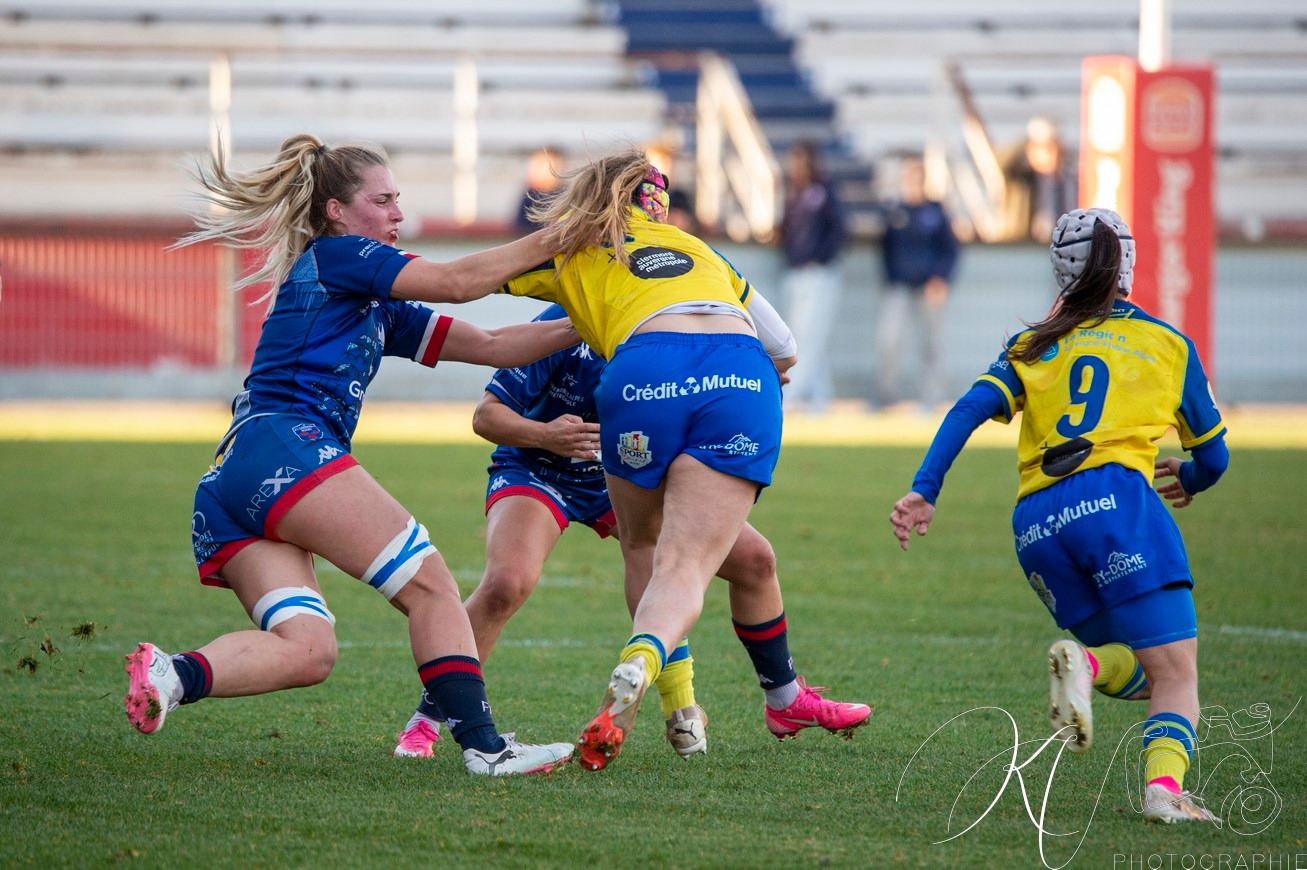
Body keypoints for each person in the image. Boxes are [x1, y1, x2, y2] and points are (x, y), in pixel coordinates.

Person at [122, 134, 578, 777]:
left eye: (399, 201)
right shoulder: (339, 256)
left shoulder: (373, 302)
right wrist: (567, 232)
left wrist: (599, 318)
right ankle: (486, 748)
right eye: (384, 200)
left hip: (233, 480)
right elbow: (454, 281)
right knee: (431, 586)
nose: (398, 215)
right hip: (285, 448)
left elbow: (499, 342)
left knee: (309, 651)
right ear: (336, 211)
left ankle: (172, 676)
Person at [502, 148, 871, 772]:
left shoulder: (566, 253)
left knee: (741, 558)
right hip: (706, 399)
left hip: (631, 412)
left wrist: (373, 277)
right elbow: (784, 347)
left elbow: (460, 290)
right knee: (678, 564)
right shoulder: (698, 254)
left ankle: (781, 698)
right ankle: (663, 689)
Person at [890, 208, 1229, 824]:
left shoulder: (1032, 344)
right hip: (1117, 506)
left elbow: (967, 408)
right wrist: (1193, 478)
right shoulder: (1167, 344)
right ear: (1128, 263)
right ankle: (1164, 792)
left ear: (1060, 268)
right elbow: (1216, 457)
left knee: (1146, 668)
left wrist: (924, 489)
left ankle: (1090, 665)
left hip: (1038, 524)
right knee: (1178, 675)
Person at [393, 304, 794, 762]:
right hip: (538, 471)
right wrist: (544, 435)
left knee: (754, 559)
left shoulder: (675, 330)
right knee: (507, 584)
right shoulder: (566, 322)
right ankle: (427, 720)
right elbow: (487, 416)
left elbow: (764, 365)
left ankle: (778, 699)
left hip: (623, 480)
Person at [873, 154, 960, 411]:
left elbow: (950, 250)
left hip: (928, 287)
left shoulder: (936, 211)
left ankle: (931, 397)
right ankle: (886, 395)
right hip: (899, 286)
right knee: (889, 340)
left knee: (931, 343)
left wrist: (941, 278)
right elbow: (885, 249)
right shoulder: (895, 212)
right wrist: (889, 278)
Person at [776, 140, 848, 414]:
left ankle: (794, 395)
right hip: (795, 272)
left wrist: (819, 257)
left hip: (819, 273)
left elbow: (840, 231)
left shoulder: (824, 191)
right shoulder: (793, 193)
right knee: (802, 334)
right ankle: (821, 397)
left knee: (808, 336)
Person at [1002, 117, 1074, 242]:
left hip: (1058, 245)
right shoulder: (1021, 180)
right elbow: (1003, 162)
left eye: (1054, 148)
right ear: (1030, 150)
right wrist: (1031, 136)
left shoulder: (1069, 181)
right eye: (1045, 148)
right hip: (1023, 245)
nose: (1051, 155)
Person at [513, 146, 566, 234]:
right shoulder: (529, 195)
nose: (534, 171)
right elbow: (519, 225)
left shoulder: (566, 194)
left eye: (541, 166)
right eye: (535, 166)